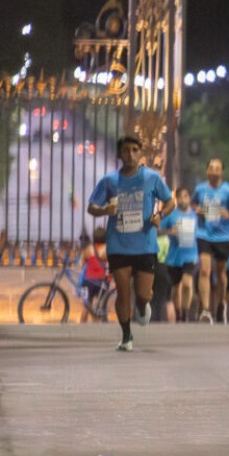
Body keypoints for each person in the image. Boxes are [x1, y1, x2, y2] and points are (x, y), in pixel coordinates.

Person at [86, 136, 175, 351]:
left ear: (140, 153)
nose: (131, 154)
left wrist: (159, 215)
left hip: (144, 244)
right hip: (118, 244)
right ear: (119, 154)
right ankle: (126, 336)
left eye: (135, 150)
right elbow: (91, 207)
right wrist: (104, 210)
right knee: (123, 292)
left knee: (143, 294)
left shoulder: (151, 178)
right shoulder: (109, 181)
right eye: (126, 150)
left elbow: (170, 200)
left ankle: (143, 305)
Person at [192, 157, 229, 323]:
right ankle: (206, 310)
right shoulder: (200, 189)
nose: (214, 171)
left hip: (223, 236)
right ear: (207, 171)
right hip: (204, 233)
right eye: (211, 168)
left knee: (220, 273)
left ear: (221, 172)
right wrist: (197, 210)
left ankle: (221, 303)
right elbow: (194, 204)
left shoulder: (228, 190)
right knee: (205, 270)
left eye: (217, 168)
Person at [159, 187, 200, 322]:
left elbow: (216, 216)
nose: (183, 200)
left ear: (189, 198)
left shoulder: (196, 214)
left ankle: (186, 313)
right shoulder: (171, 215)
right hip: (174, 257)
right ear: (176, 199)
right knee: (176, 287)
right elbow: (156, 230)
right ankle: (178, 312)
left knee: (187, 284)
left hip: (191, 255)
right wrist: (170, 231)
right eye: (180, 197)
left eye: (186, 196)